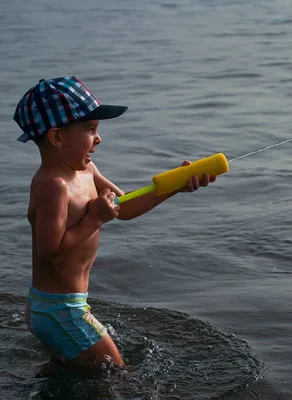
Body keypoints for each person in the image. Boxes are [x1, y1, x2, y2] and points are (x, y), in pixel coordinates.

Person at [13, 76, 217, 369]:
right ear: (57, 137)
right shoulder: (53, 185)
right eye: (89, 129)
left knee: (79, 371)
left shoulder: (86, 170)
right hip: (60, 311)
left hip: (59, 308)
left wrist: (175, 186)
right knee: (120, 377)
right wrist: (95, 218)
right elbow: (50, 253)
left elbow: (125, 207)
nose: (98, 138)